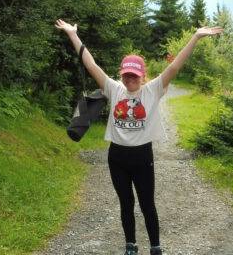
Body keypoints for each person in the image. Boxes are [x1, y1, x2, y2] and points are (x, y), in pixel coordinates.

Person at [55, 19, 223, 255]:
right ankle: (131, 246)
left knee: (147, 205)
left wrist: (195, 37)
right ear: (121, 75)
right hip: (117, 157)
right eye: (126, 75)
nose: (130, 80)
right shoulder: (113, 88)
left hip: (143, 157)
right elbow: (90, 64)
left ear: (143, 77)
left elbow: (174, 67)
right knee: (126, 204)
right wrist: (73, 35)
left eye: (134, 76)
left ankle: (155, 247)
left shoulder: (153, 90)